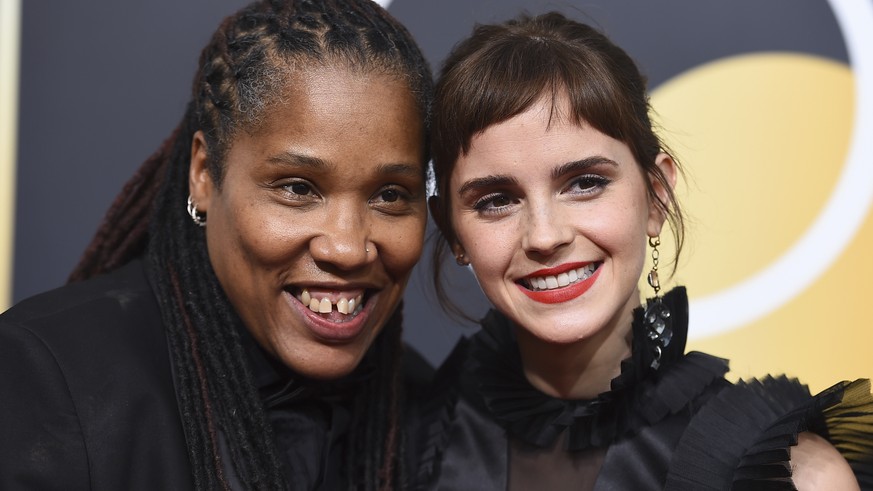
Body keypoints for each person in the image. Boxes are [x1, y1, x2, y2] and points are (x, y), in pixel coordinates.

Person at [419, 11, 873, 490]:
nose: (544, 236)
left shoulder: (790, 472)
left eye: (585, 183)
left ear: (657, 195)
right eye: (496, 200)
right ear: (452, 231)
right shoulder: (407, 435)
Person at [0, 0, 433, 489]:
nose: (349, 248)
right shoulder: (50, 380)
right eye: (297, 188)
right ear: (204, 175)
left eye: (391, 195)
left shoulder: (430, 415)